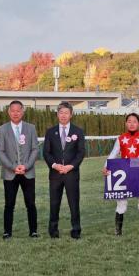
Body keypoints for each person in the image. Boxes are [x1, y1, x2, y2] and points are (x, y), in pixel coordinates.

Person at [103, 113, 139, 236]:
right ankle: (118, 232)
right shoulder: (120, 138)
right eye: (129, 121)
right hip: (125, 173)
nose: (132, 123)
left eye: (134, 121)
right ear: (126, 123)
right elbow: (113, 154)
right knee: (121, 203)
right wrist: (105, 167)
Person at [0, 100, 40, 239]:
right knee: (9, 204)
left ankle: (33, 231)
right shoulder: (2, 129)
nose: (15, 113)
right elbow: (0, 151)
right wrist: (13, 167)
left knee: (31, 203)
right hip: (10, 173)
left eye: (18, 110)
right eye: (12, 110)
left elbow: (35, 149)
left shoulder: (31, 128)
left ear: (22, 112)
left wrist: (25, 166)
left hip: (28, 172)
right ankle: (7, 232)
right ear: (9, 112)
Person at [43, 102, 86, 239]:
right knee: (54, 203)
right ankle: (53, 231)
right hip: (55, 174)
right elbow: (46, 153)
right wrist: (55, 165)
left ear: (71, 115)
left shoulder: (78, 131)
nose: (63, 115)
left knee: (74, 203)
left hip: (71, 174)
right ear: (57, 114)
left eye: (66, 113)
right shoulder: (50, 132)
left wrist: (70, 166)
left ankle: (76, 230)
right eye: (61, 113)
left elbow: (81, 153)